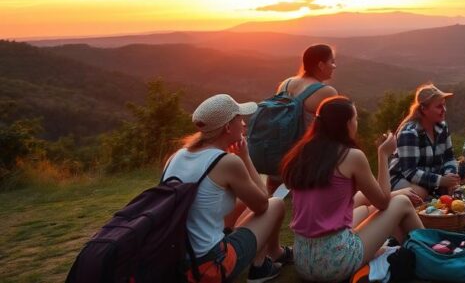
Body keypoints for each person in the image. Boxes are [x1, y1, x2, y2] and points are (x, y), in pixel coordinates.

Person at [281, 96, 424, 283]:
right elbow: (383, 202)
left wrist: (394, 192)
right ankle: (428, 253)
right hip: (334, 263)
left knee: (366, 210)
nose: (356, 123)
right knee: (401, 203)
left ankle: (413, 250)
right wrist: (383, 154)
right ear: (347, 124)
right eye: (355, 119)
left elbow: (341, 200)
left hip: (303, 259)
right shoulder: (351, 156)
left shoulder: (303, 153)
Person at [163, 94, 288, 283]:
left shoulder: (176, 156)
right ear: (228, 127)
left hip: (179, 258)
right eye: (240, 118)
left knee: (242, 202)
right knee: (276, 204)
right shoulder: (226, 162)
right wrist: (245, 157)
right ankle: (261, 268)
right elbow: (263, 203)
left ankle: (256, 251)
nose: (245, 123)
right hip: (210, 266)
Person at [264, 44, 339, 192]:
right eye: (332, 61)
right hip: (305, 165)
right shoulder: (327, 92)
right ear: (321, 65)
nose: (334, 66)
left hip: (278, 160)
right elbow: (337, 132)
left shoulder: (286, 84)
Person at [387, 83, 461, 199]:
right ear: (424, 109)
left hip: (429, 180)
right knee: (421, 194)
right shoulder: (409, 132)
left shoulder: (442, 127)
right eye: (439, 107)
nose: (444, 110)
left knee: (453, 192)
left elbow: (449, 157)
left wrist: (449, 176)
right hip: (402, 179)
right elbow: (409, 172)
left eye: (444, 105)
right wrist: (441, 181)